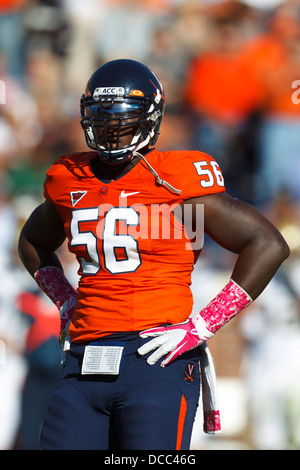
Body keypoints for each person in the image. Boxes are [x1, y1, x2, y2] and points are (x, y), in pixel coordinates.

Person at [18, 59, 289, 450]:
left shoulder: (176, 176)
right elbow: (32, 240)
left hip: (156, 359)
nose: (110, 129)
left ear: (150, 119)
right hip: (83, 360)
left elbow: (268, 244)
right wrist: (64, 299)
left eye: (122, 118)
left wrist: (202, 326)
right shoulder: (67, 177)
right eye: (101, 117)